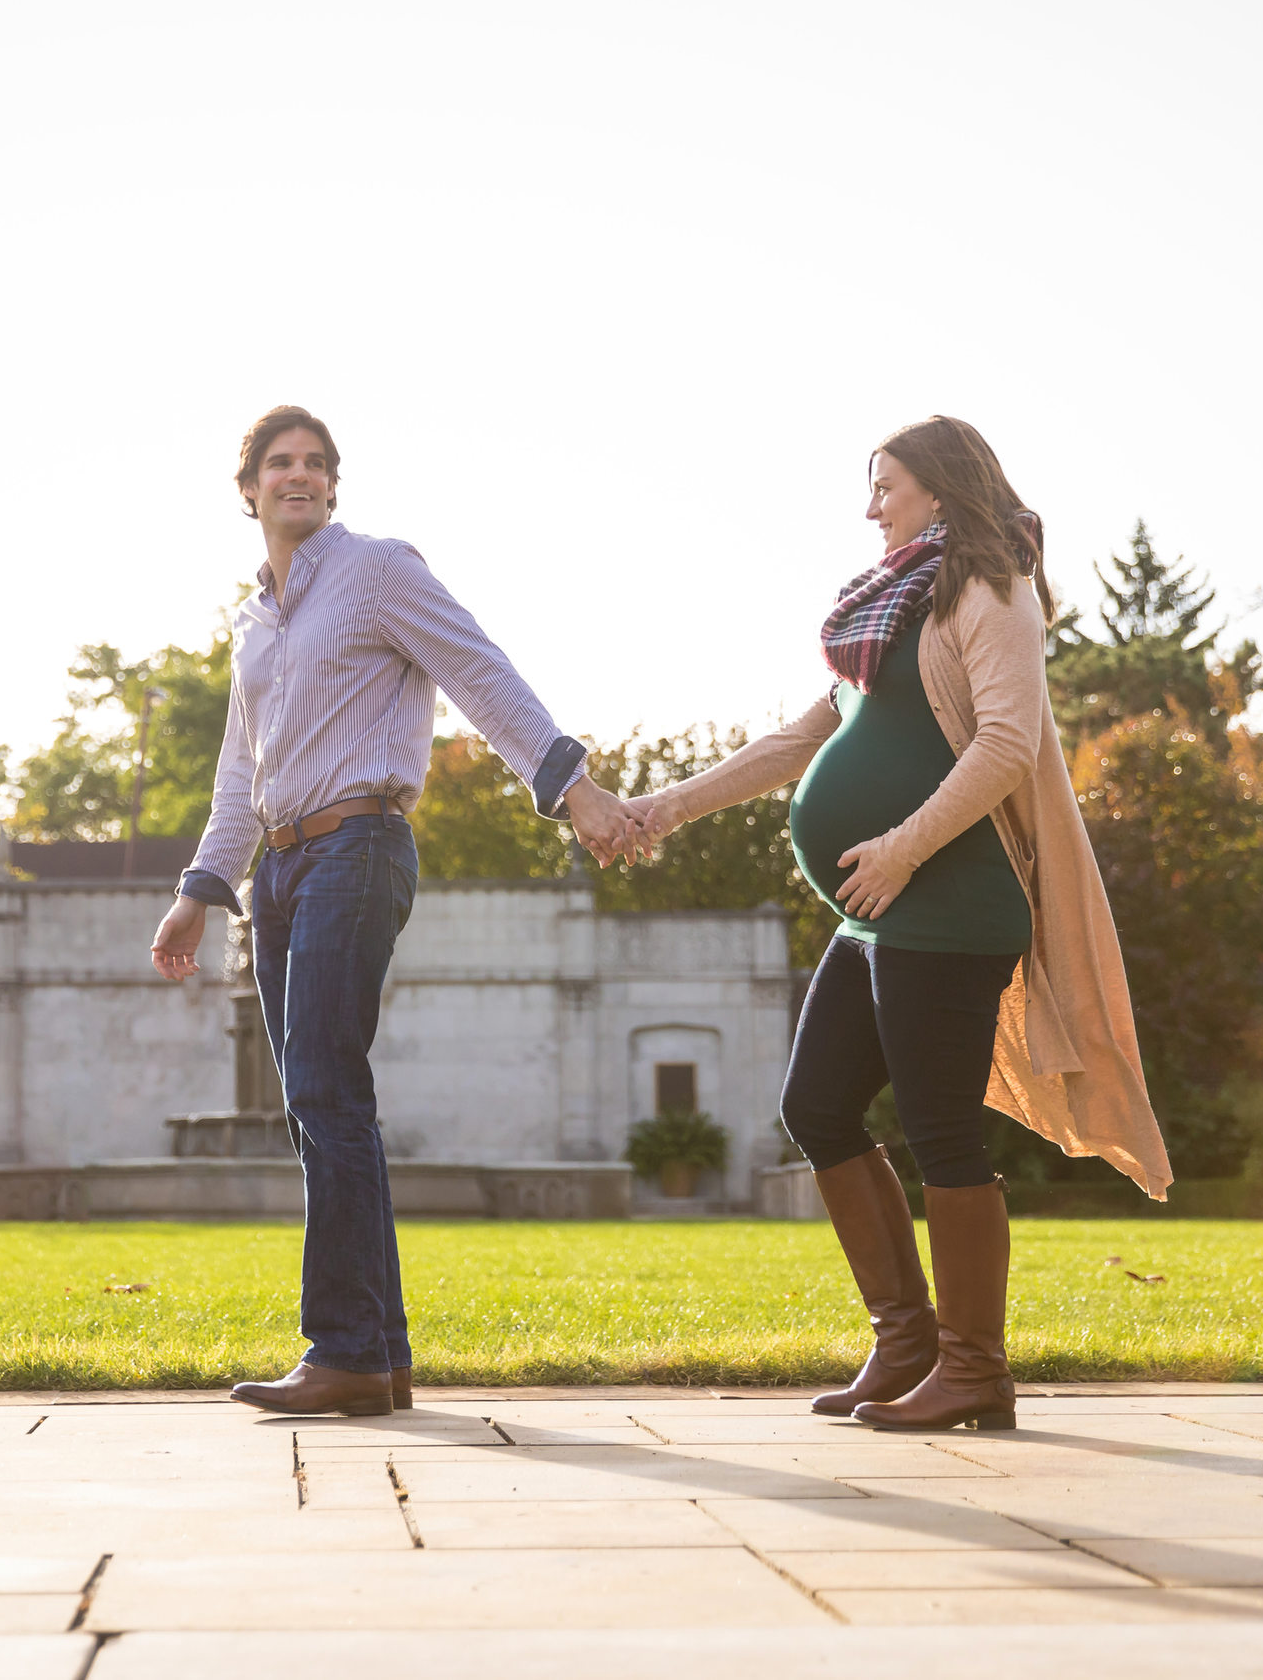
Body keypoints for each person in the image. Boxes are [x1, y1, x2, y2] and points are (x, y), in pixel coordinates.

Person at [627, 416, 1169, 1432]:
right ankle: (907, 1340)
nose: (870, 507)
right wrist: (662, 809)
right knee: (818, 1107)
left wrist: (903, 847)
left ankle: (975, 1369)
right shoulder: (891, 606)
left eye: (884, 485)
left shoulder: (988, 586)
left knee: (940, 1133)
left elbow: (1007, 741)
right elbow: (801, 738)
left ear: (937, 488)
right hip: (880, 909)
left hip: (949, 898)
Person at [151, 404, 643, 1418]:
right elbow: (240, 775)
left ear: (333, 485)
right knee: (318, 1108)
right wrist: (200, 890)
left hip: (359, 844)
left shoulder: (377, 571)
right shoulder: (254, 623)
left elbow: (479, 670)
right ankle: (374, 1356)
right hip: (277, 874)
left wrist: (571, 789)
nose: (299, 475)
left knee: (329, 1097)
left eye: (316, 464)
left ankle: (343, 1349)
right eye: (279, 463)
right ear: (246, 490)